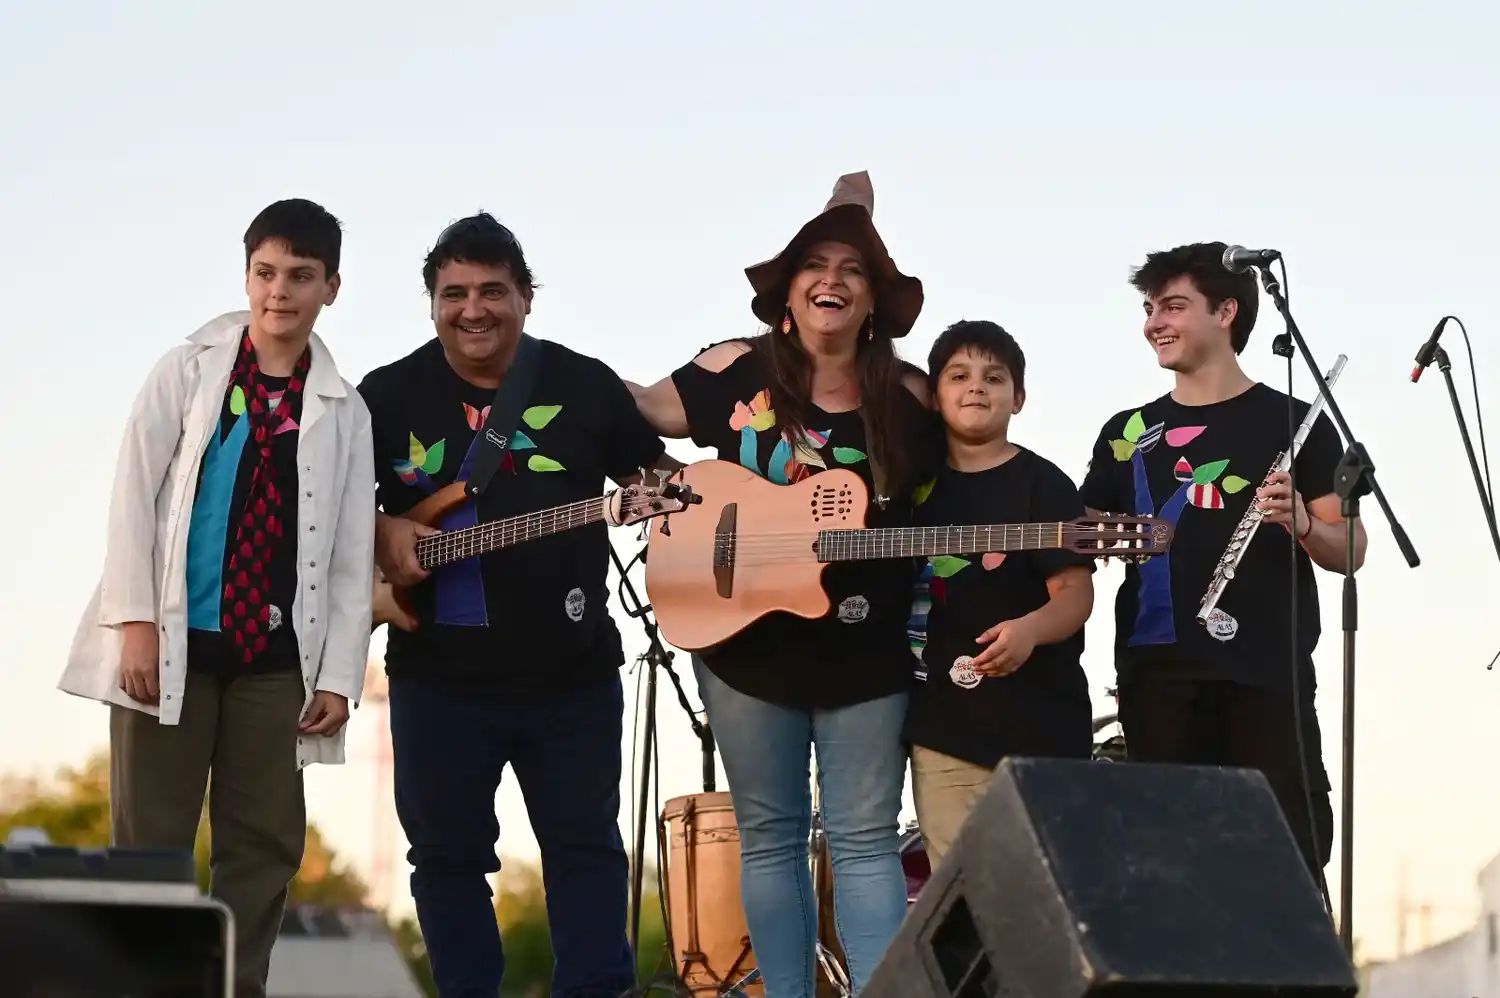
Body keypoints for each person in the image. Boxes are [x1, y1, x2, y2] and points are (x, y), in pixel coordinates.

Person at [627, 171, 940, 998]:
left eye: (854, 269)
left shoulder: (910, 399)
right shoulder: (731, 368)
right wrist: (665, 488)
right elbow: (631, 413)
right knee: (769, 837)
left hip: (865, 648)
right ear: (788, 290)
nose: (832, 280)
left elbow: (975, 468)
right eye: (816, 264)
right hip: (742, 638)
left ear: (874, 301)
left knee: (865, 839)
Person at [58, 198, 376, 998]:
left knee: (264, 843)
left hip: (273, 661)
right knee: (152, 846)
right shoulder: (188, 370)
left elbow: (346, 554)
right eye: (266, 272)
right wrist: (133, 621)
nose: (281, 291)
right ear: (246, 276)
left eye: (302, 276)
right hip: (168, 646)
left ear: (331, 287)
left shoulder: (344, 411)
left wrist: (338, 674)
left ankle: (235, 989)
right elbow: (133, 495)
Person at [359, 212, 668, 998]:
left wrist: (668, 499)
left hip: (572, 676)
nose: (473, 308)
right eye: (453, 292)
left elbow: (659, 477)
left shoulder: (582, 383)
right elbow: (319, 508)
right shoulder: (384, 396)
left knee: (587, 855)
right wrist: (382, 528)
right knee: (447, 863)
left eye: (493, 290)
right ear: (431, 303)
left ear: (527, 297)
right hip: (435, 677)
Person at [1078, 240, 1366, 881]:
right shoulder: (1127, 432)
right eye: (1150, 307)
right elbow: (1086, 531)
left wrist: (1301, 522)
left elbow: (1352, 549)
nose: (1155, 322)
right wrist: (1101, 535)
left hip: (1269, 677)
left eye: (1174, 305)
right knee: (1174, 874)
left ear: (1227, 311)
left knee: (1284, 867)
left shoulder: (1298, 419)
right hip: (1158, 676)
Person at [902, 320, 1096, 869]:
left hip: (1042, 725)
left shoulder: (1044, 483)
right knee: (962, 889)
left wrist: (1031, 629)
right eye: (958, 375)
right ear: (934, 397)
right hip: (942, 727)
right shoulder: (911, 489)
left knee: (1047, 890)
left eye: (994, 376)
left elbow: (1075, 595)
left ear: (1020, 398)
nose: (976, 387)